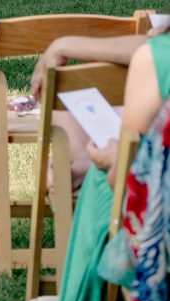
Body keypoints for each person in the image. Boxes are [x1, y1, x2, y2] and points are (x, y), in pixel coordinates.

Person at [27, 33, 170, 301]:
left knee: (102, 184)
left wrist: (109, 161)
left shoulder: (155, 61)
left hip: (157, 243)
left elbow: (129, 187)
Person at [31, 30, 153, 192]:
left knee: (64, 89)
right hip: (136, 155)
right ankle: (82, 162)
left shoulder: (155, 53)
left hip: (137, 172)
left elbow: (153, 48)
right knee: (68, 94)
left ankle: (85, 165)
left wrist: (62, 45)